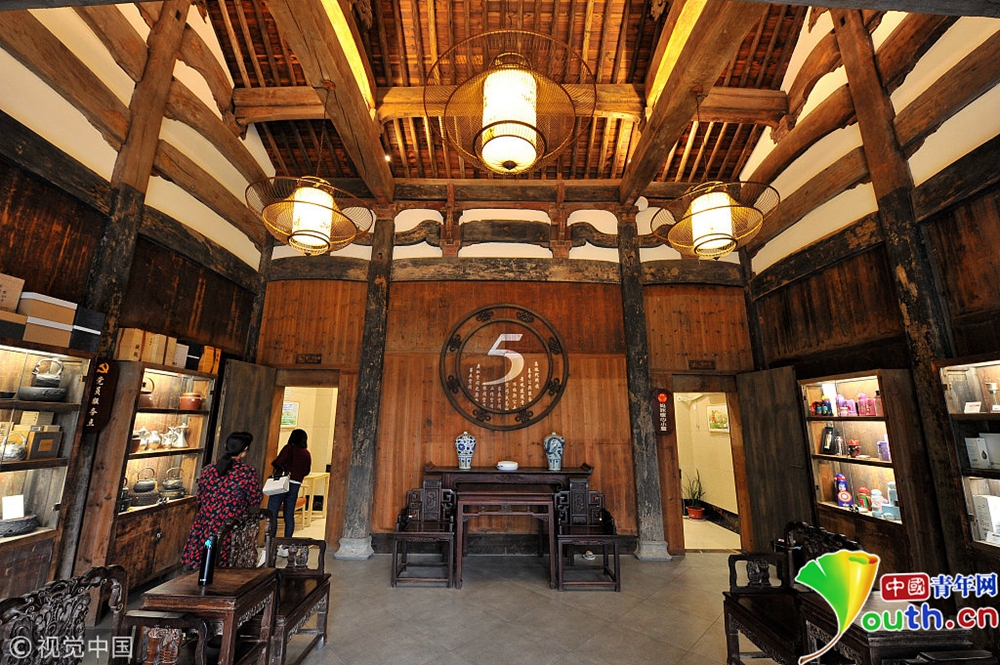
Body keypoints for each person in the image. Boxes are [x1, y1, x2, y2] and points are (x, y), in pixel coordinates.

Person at [181, 431, 262, 568]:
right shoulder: (247, 473)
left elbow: (199, 497)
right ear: (245, 449)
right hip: (230, 526)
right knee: (223, 565)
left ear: (225, 445)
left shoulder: (208, 470)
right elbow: (255, 500)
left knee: (203, 563)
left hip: (206, 523)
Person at [268, 428, 312, 541]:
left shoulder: (289, 448)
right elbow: (307, 471)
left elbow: (278, 462)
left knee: (273, 513)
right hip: (296, 484)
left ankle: (271, 541)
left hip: (282, 482)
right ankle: (287, 543)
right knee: (289, 515)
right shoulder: (306, 453)